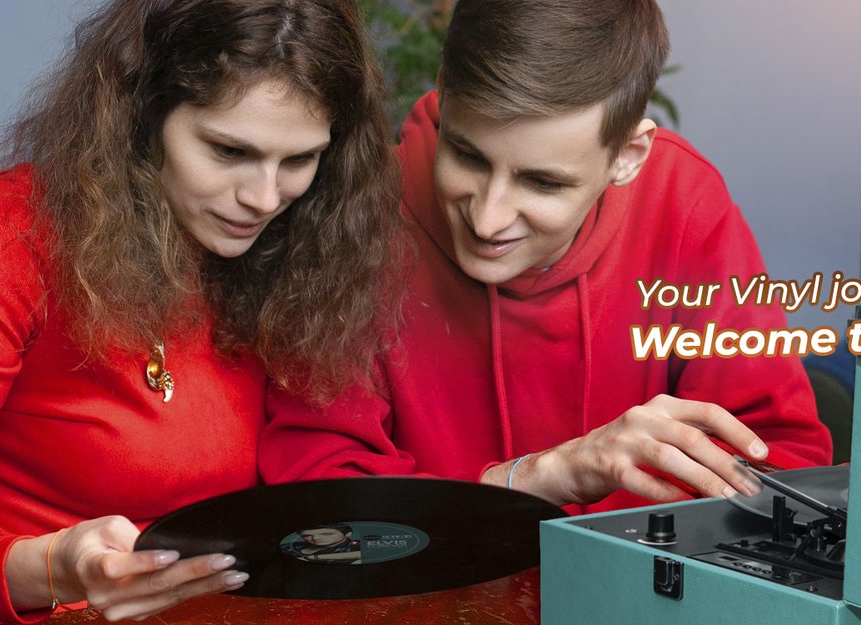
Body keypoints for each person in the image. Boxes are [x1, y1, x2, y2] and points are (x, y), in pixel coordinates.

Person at [0, 1, 399, 622]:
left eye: (299, 160)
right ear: (144, 115)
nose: (264, 197)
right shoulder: (21, 232)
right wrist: (58, 566)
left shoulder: (291, 253)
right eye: (227, 151)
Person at [260, 0, 831, 513]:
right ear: (442, 89)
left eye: (542, 183)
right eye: (467, 155)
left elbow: (781, 460)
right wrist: (539, 480)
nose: (487, 219)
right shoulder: (356, 211)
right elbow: (315, 490)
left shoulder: (686, 205)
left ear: (627, 157)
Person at [280, 524, 364, 564]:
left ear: (347, 534)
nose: (315, 538)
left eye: (326, 534)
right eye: (307, 535)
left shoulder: (359, 547)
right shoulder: (289, 546)